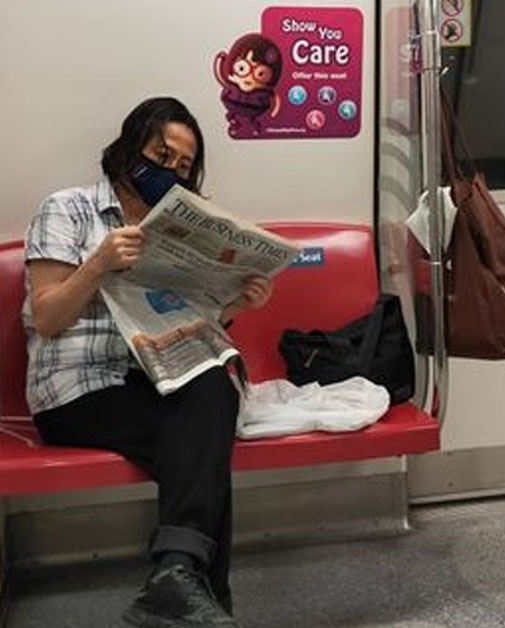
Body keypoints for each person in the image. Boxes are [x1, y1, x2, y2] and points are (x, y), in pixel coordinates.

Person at [23, 97, 272, 628]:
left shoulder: (176, 228)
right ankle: (202, 597)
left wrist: (234, 303)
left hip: (150, 377)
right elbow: (46, 318)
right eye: (162, 154)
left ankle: (177, 581)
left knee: (214, 392)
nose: (170, 170)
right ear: (131, 148)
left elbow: (188, 324)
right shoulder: (67, 208)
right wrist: (98, 264)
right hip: (74, 389)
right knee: (204, 449)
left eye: (183, 166)